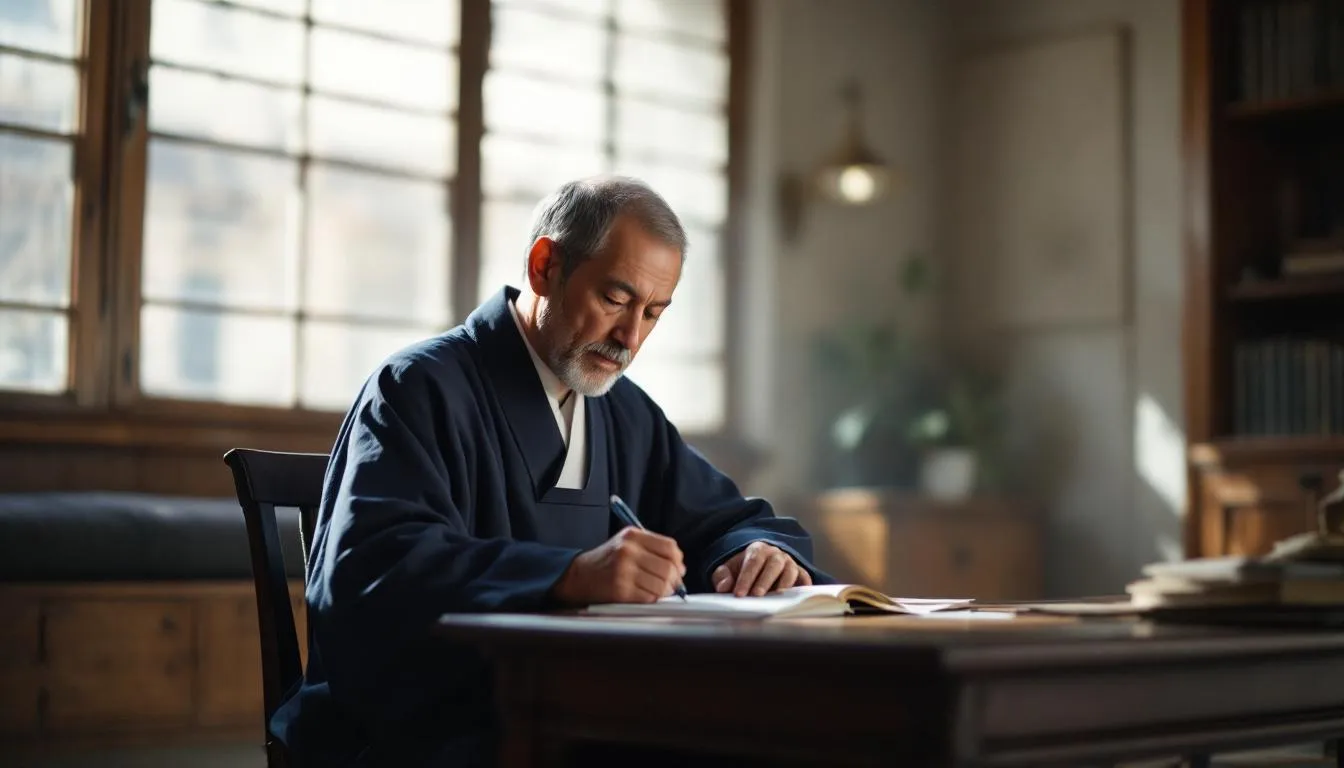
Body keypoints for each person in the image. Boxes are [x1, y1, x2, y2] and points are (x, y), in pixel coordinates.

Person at [272, 175, 832, 767]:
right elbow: (371, 568)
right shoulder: (419, 386)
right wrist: (566, 576)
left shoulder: (623, 412)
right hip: (425, 724)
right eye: (616, 300)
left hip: (577, 709)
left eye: (653, 314)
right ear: (545, 266)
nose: (630, 337)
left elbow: (724, 518)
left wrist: (758, 551)